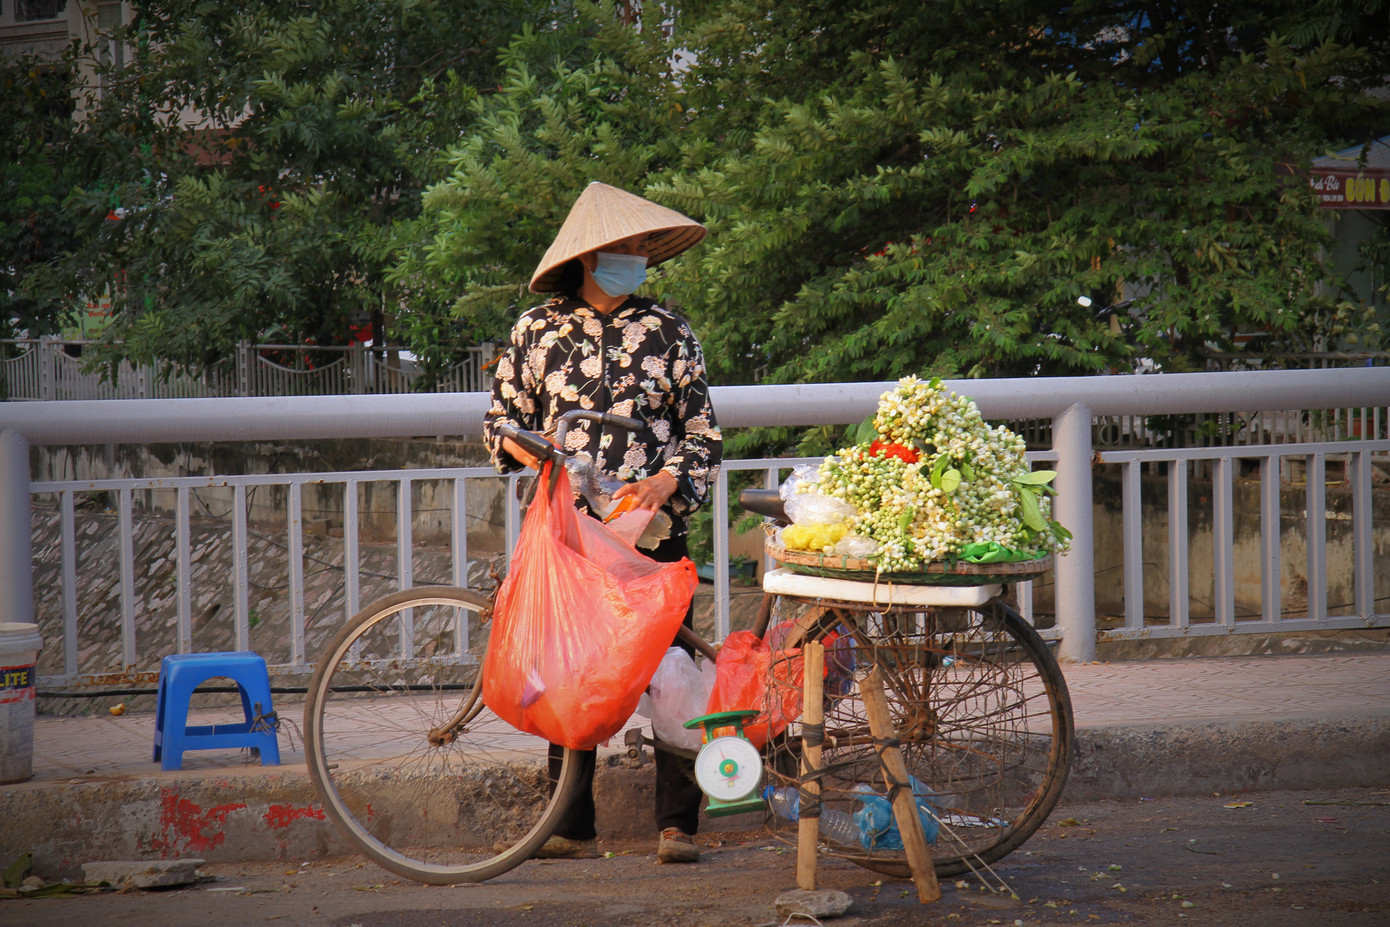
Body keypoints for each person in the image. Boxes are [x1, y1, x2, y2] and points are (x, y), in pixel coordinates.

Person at [482, 181, 722, 864]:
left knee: (669, 663)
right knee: (569, 665)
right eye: (629, 244)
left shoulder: (671, 332)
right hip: (569, 527)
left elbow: (703, 435)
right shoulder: (537, 331)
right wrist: (533, 448)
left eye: (646, 245)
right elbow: (500, 422)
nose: (640, 254)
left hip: (650, 527)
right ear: (593, 254)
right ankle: (570, 820)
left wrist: (666, 479)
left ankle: (678, 823)